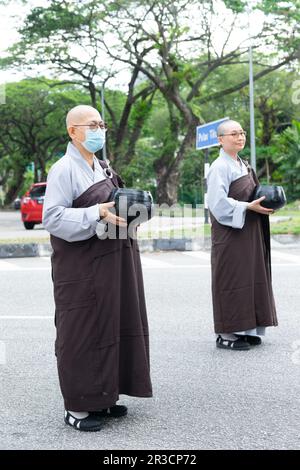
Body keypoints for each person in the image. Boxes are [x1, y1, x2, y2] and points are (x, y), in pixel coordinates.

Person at [43, 105, 152, 431]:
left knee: (114, 324)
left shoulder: (103, 168)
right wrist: (97, 214)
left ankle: (106, 397)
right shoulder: (63, 169)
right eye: (91, 125)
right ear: (72, 131)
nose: (98, 130)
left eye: (101, 124)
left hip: (114, 263)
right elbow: (53, 218)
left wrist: (135, 211)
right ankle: (77, 407)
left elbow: (114, 203)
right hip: (81, 268)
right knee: (82, 332)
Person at [207, 119, 278, 351]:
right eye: (233, 134)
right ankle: (226, 333)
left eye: (242, 133)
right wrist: (247, 207)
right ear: (220, 139)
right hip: (230, 234)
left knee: (250, 277)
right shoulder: (220, 166)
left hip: (249, 230)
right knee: (232, 279)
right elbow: (217, 204)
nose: (240, 137)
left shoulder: (243, 164)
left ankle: (247, 330)